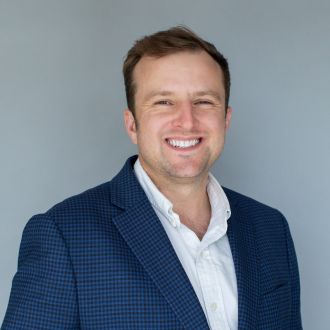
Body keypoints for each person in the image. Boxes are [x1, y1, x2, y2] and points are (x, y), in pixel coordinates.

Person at [2, 26, 302, 329]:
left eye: (204, 101)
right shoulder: (65, 237)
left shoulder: (270, 229)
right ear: (132, 125)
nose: (187, 121)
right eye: (163, 102)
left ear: (225, 119)